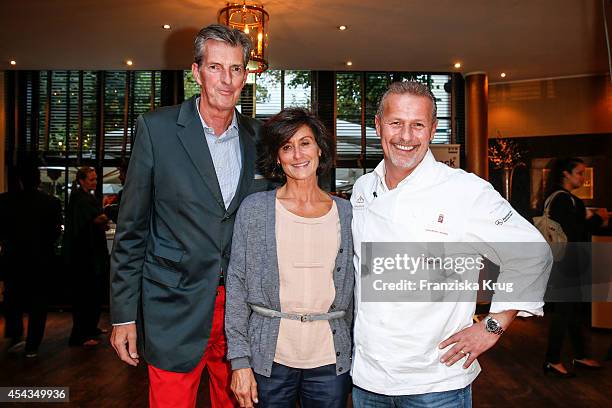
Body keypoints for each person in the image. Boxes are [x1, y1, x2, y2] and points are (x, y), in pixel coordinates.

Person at [350, 81, 552, 407]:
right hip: (369, 378)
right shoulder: (363, 188)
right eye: (395, 123)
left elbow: (533, 252)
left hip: (436, 381)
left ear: (432, 130)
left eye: (417, 125)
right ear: (378, 125)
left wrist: (494, 325)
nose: (405, 136)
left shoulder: (464, 190)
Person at [110, 24, 272, 408]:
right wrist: (123, 316)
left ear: (246, 75)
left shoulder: (262, 137)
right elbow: (131, 230)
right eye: (216, 67)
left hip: (241, 312)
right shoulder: (157, 129)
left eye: (236, 69)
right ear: (196, 72)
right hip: (173, 305)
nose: (227, 79)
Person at [225, 108, 354, 408]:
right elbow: (237, 286)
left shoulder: (347, 214)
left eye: (305, 143)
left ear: (320, 148)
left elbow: (358, 293)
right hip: (269, 358)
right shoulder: (255, 210)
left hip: (329, 361)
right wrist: (240, 361)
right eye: (287, 146)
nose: (297, 154)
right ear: (277, 156)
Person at [543, 157, 608, 377]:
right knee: (565, 312)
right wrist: (598, 219)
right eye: (579, 173)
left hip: (561, 262)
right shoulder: (565, 200)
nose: (582, 177)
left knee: (571, 312)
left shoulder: (554, 198)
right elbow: (575, 233)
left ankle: (580, 355)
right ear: (566, 174)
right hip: (567, 264)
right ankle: (552, 360)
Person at [0, 164, 62, 357]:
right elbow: (54, 233)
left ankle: (16, 335)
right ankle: (32, 345)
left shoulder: (5, 201)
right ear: (38, 180)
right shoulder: (51, 202)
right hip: (41, 260)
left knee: (13, 299)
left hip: (14, 258)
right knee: (38, 303)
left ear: (19, 180)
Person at [63, 166, 109, 347]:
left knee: (93, 293)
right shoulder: (80, 198)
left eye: (95, 179)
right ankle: (80, 334)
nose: (95, 182)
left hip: (91, 252)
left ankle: (90, 328)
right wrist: (109, 212)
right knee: (85, 295)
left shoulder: (87, 197)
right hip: (84, 255)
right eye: (91, 179)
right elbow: (96, 220)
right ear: (81, 180)